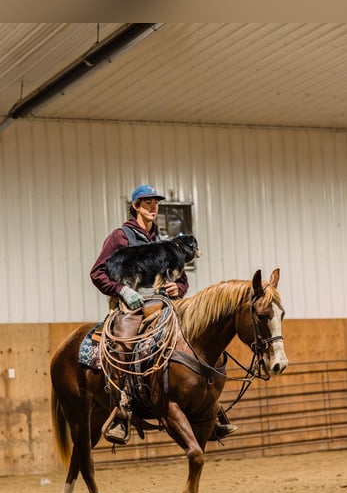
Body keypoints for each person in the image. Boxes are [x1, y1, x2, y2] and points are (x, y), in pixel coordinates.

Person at [90, 184, 237, 444]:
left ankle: (210, 407)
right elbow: (98, 272)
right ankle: (121, 409)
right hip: (130, 306)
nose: (153, 206)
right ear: (136, 206)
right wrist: (122, 290)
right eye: (147, 202)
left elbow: (182, 280)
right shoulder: (120, 237)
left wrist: (176, 287)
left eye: (155, 202)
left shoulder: (162, 241)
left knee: (198, 338)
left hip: (164, 303)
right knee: (124, 342)